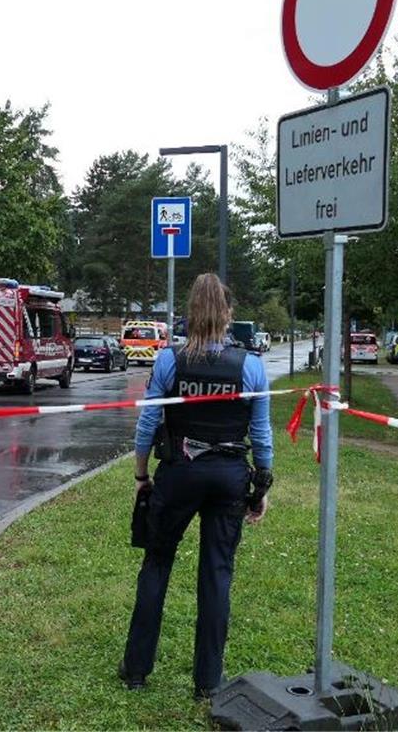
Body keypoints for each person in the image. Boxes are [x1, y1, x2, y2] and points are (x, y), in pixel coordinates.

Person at [118, 273, 274, 701]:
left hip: (179, 472)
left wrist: (141, 475)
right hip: (228, 477)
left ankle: (135, 670)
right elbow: (261, 433)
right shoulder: (252, 366)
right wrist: (262, 485)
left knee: (157, 563)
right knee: (216, 574)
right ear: (228, 314)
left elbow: (149, 423)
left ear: (190, 313)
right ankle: (208, 682)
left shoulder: (170, 361)